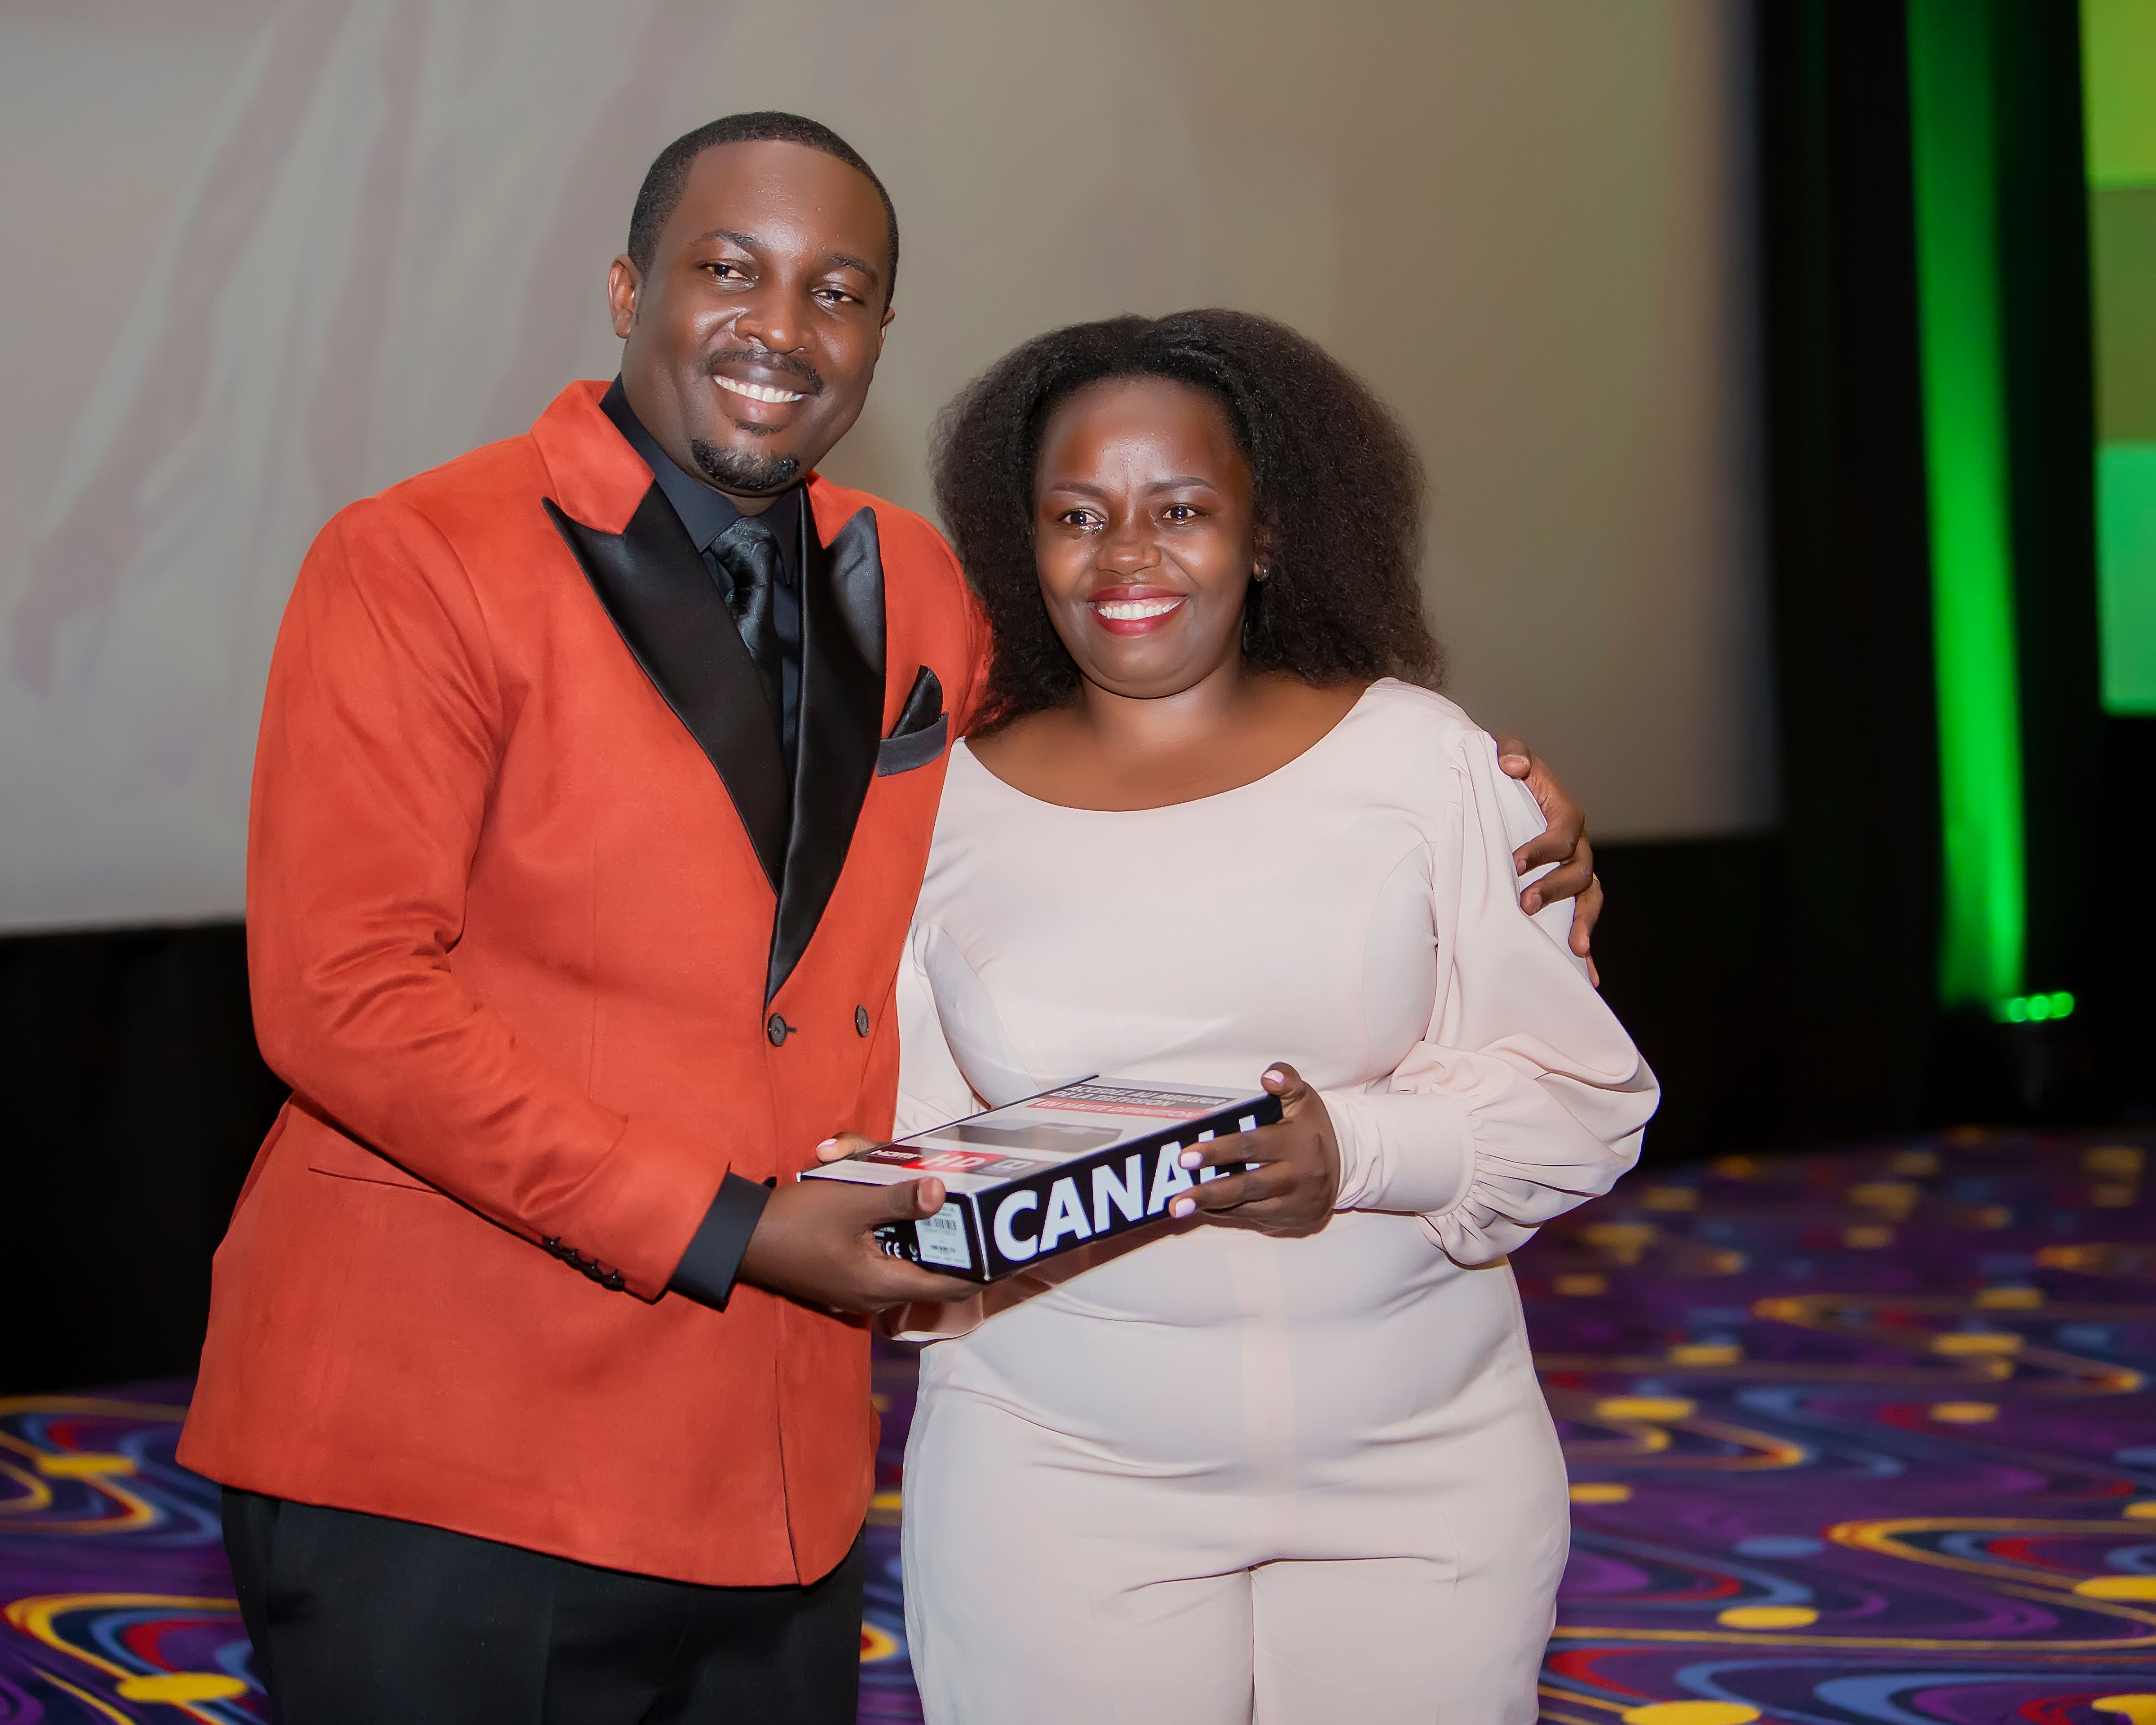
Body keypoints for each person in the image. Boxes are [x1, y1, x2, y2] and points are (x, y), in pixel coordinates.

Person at [179, 113, 1602, 1721]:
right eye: (731, 270)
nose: (782, 328)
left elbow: (1137, 763)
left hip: (778, 1458)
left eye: (838, 291)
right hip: (445, 1436)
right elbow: (345, 998)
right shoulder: (417, 559)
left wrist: (1489, 807)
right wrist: (730, 1226)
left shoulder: (919, 583)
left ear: (880, 334)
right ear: (628, 287)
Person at [852, 311, 1659, 1724]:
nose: (1126, 555)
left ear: (1268, 531)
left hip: (1425, 1469)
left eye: (1180, 509)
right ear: (1021, 543)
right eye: (1077, 515)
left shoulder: (1422, 762)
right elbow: (909, 1155)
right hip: (1054, 1479)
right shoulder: (935, 812)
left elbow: (1582, 1097)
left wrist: (1358, 1152)